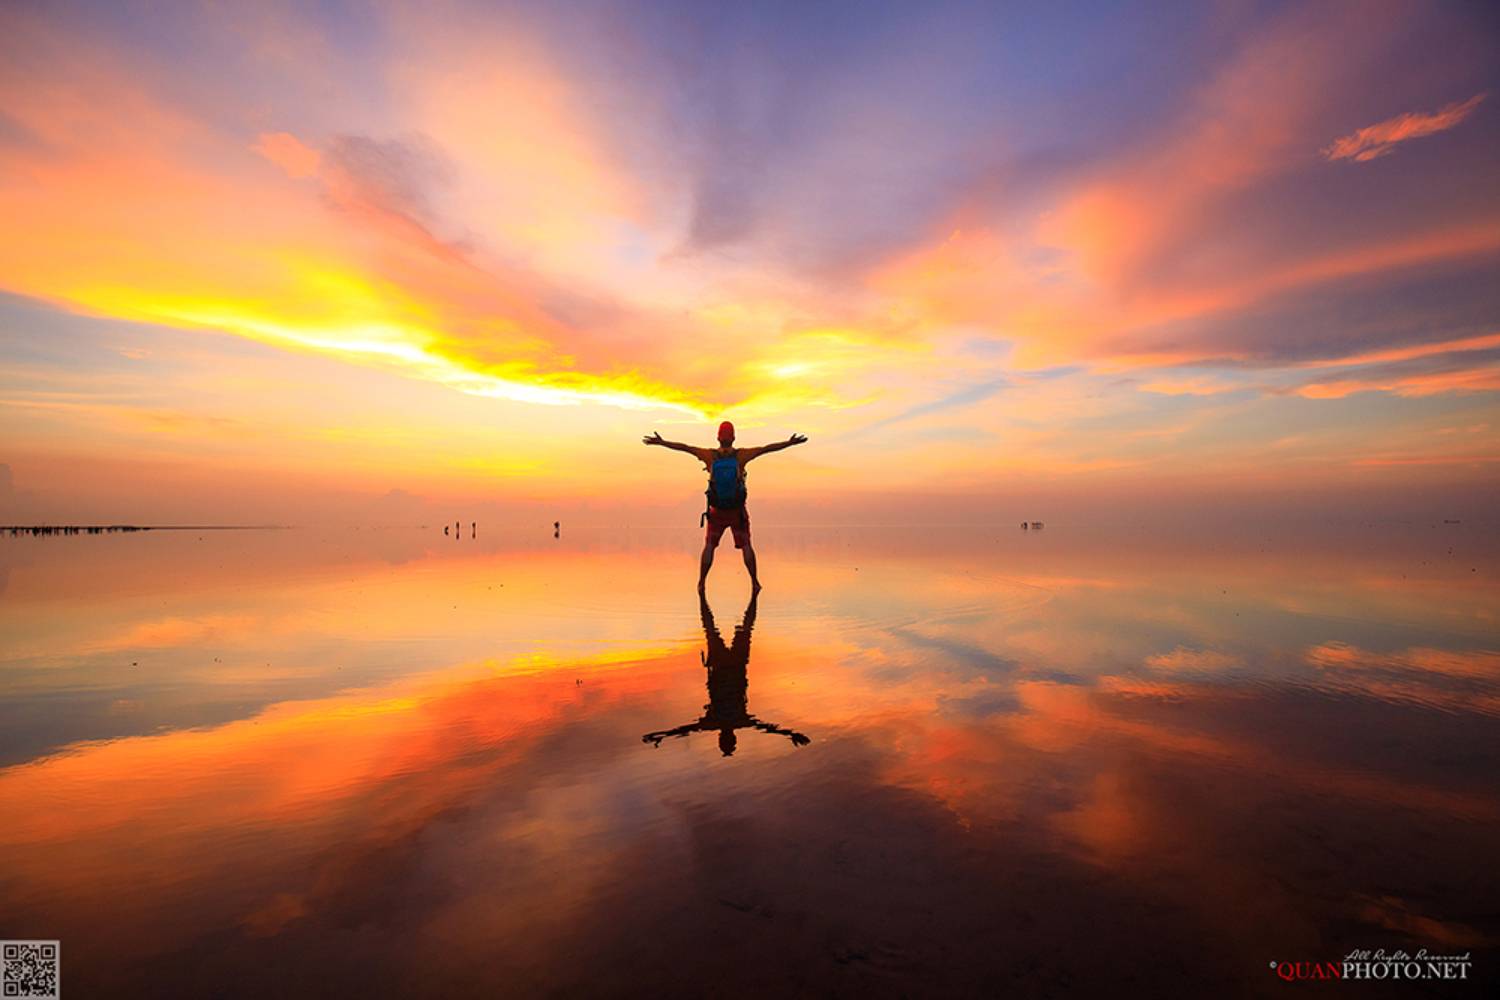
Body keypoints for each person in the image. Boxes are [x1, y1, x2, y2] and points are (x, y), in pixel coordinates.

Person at [642, 590, 809, 756]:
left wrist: (663, 736)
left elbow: (685, 730)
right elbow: (767, 727)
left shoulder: (730, 721)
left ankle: (705, 596)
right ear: (723, 738)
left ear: (731, 738)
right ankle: (712, 596)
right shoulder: (723, 722)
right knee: (714, 628)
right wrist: (789, 734)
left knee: (739, 628)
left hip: (731, 664)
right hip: (726, 664)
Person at [643, 421, 807, 591]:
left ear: (718, 438)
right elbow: (766, 448)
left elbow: (685, 447)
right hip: (737, 513)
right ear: (733, 437)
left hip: (716, 512)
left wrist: (662, 443)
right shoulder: (741, 456)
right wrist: (789, 443)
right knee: (746, 546)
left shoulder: (709, 456)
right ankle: (755, 583)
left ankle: (701, 583)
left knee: (709, 546)